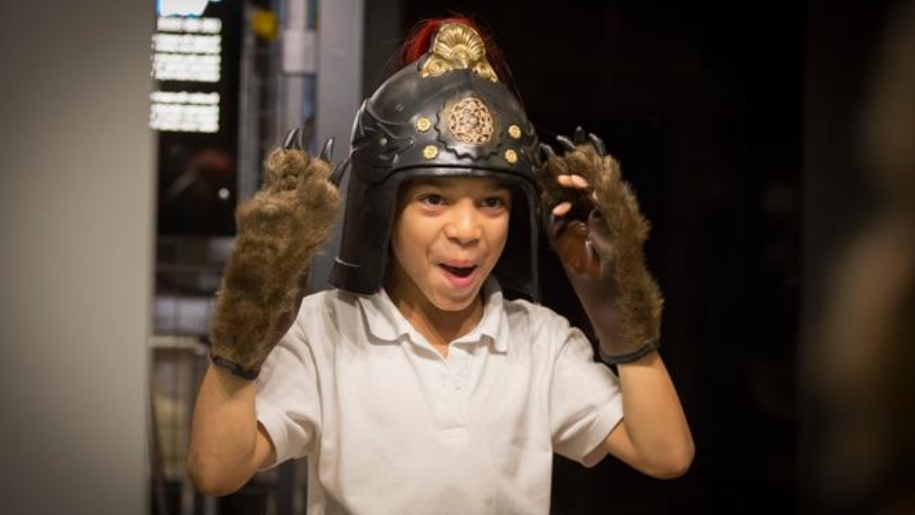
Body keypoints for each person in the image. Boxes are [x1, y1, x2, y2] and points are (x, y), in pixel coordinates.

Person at [187, 16, 693, 515]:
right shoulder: (326, 332)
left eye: (492, 203)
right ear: (384, 209)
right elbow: (216, 472)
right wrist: (244, 327)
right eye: (434, 198)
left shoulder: (538, 341)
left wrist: (621, 309)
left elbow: (666, 454)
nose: (468, 229)